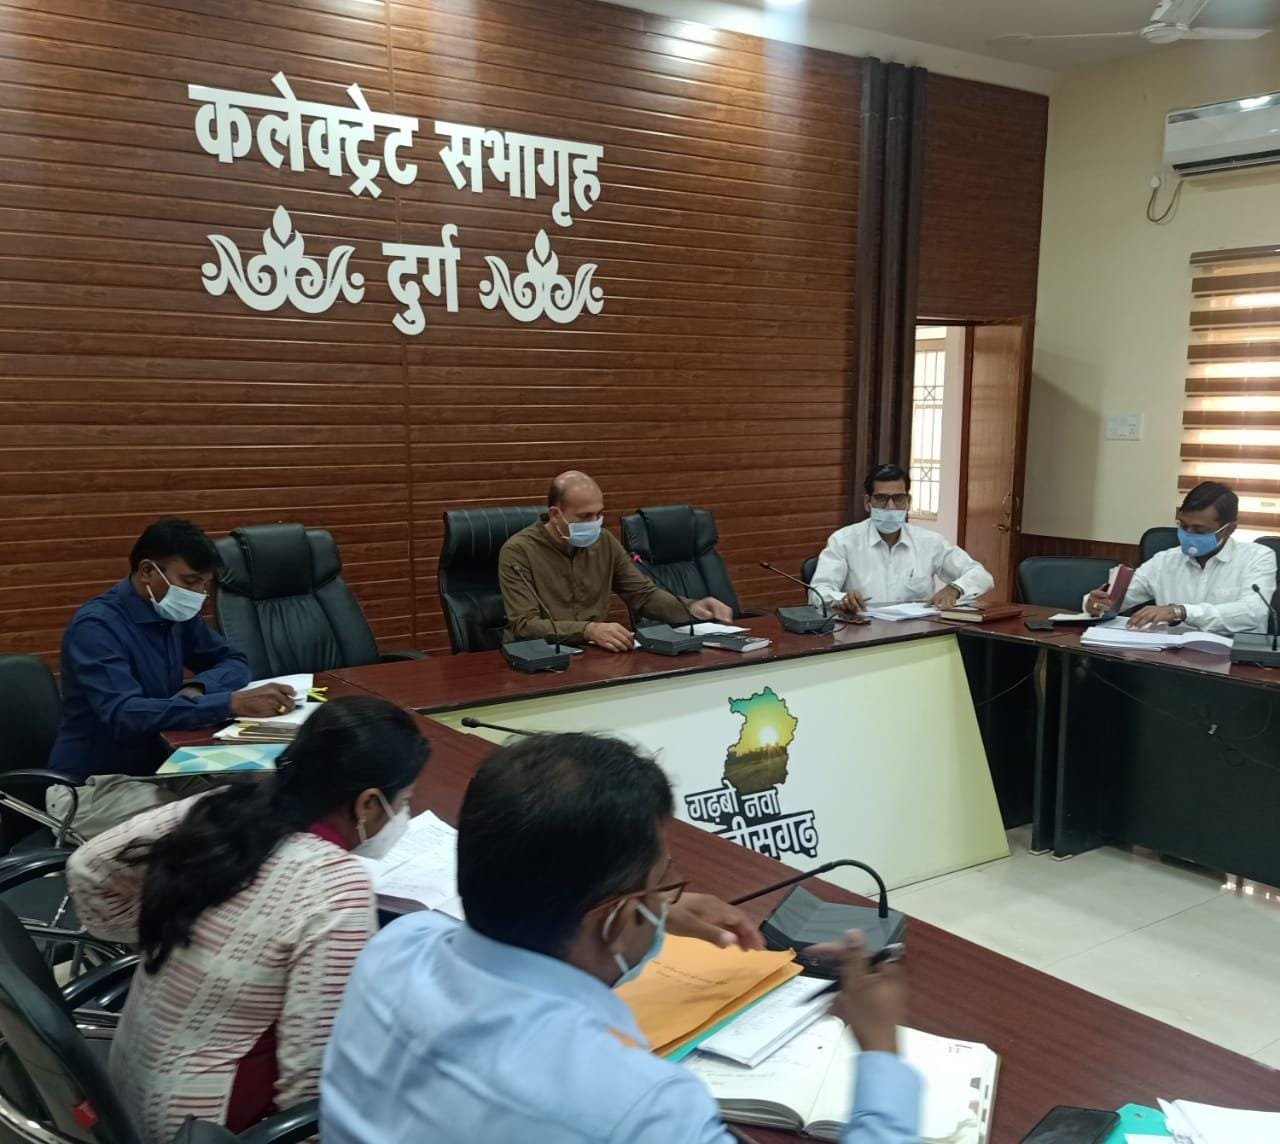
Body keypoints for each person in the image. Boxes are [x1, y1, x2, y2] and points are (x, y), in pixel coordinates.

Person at [321, 732, 920, 1143]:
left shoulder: (394, 947)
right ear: (612, 920)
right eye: (662, 886)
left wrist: (653, 904)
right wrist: (880, 1050)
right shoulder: (639, 1107)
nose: (668, 901)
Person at [67, 695, 429, 1144]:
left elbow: (87, 867)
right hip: (201, 1129)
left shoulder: (219, 807)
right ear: (369, 803)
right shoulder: (336, 886)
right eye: (405, 801)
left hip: (124, 1090)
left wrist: (164, 928)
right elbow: (311, 1085)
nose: (403, 815)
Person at [47, 518, 297, 838]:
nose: (199, 594)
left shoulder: (174, 614)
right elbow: (125, 713)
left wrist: (199, 688)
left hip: (163, 768)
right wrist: (228, 703)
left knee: (266, 790)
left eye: (205, 584)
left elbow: (234, 661)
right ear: (147, 571)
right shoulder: (96, 628)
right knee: (214, 827)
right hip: (93, 788)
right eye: (190, 581)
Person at [499, 471, 734, 652]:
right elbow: (525, 625)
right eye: (585, 516)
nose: (594, 522)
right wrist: (589, 630)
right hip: (537, 657)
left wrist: (691, 607)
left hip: (591, 654)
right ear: (555, 514)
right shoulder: (518, 551)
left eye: (598, 514)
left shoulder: (604, 542)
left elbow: (643, 595)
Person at [1085, 480, 1276, 633]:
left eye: (1199, 530)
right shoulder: (1165, 560)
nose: (1188, 534)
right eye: (1183, 526)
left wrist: (1180, 612)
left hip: (1233, 659)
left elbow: (1254, 612)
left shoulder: (1257, 557)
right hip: (1170, 657)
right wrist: (1095, 603)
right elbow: (1116, 600)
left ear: (1229, 529)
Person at [810, 463, 994, 614]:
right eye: (881, 498)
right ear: (867, 502)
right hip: (861, 633)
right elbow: (818, 593)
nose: (890, 507)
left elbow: (982, 576)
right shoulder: (843, 541)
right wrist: (841, 599)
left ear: (908, 502)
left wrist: (955, 588)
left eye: (898, 498)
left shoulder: (929, 542)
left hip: (916, 634)